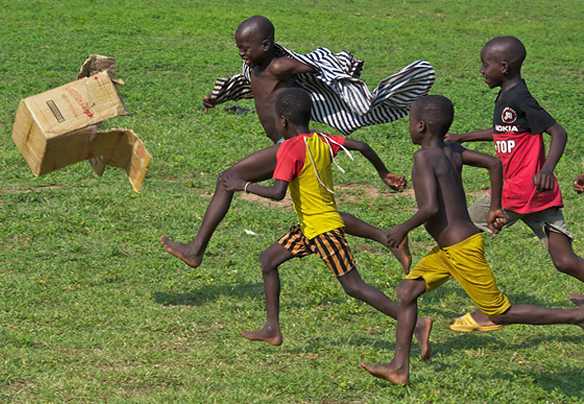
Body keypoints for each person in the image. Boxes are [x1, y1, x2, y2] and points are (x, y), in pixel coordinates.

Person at [161, 15, 435, 268]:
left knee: (226, 179)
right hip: (296, 145)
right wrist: (219, 97)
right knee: (321, 215)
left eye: (245, 48)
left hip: (289, 146)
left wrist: (339, 69)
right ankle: (389, 238)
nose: (241, 53)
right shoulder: (254, 67)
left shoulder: (279, 65)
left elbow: (316, 67)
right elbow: (257, 91)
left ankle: (196, 249)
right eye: (239, 48)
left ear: (266, 45)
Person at [360, 94, 584, 385]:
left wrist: (403, 228)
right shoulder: (452, 149)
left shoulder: (423, 157)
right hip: (449, 248)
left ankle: (576, 317)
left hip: (460, 249)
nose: (410, 127)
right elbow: (494, 163)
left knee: (501, 313)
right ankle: (399, 368)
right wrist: (494, 206)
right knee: (407, 292)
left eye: (411, 122)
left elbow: (430, 208)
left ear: (422, 127)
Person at [221, 88, 433, 356]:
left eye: (276, 120)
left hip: (323, 230)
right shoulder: (321, 140)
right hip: (310, 228)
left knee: (355, 287)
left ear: (283, 121)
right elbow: (362, 146)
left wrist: (244, 185)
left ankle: (417, 324)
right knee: (268, 260)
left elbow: (277, 193)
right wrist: (383, 173)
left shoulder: (288, 149)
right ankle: (272, 329)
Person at [444, 36, 584, 328]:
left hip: (518, 191)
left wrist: (547, 168)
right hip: (534, 195)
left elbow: (558, 132)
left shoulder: (519, 97)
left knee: (458, 234)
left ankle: (478, 306)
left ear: (504, 67)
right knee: (564, 261)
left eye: (485, 65)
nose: (482, 71)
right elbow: (504, 132)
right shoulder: (508, 97)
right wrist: (462, 137)